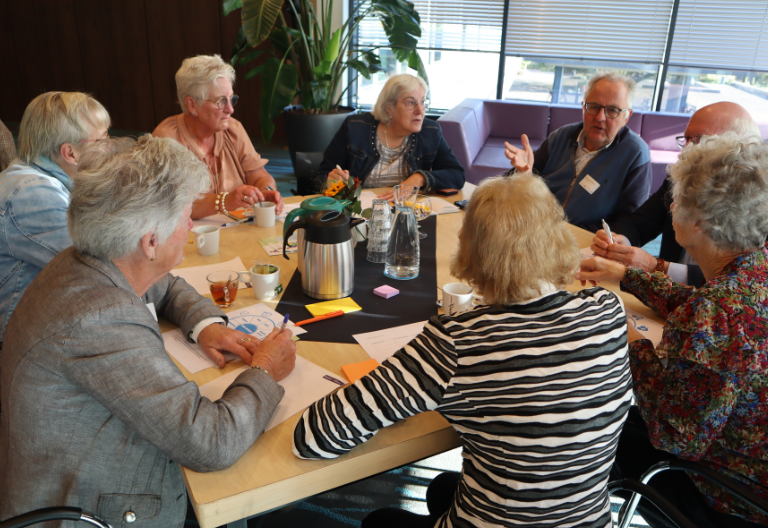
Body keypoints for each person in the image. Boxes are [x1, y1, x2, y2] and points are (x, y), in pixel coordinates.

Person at [293, 173, 632, 528]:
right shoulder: (607, 309)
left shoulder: (459, 341)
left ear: (472, 250)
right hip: (588, 522)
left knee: (382, 520)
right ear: (558, 238)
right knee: (443, 488)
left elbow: (315, 437)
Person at [0, 135, 296, 527]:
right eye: (185, 217)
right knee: (239, 489)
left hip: (73, 470)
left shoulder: (93, 256)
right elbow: (211, 442)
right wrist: (264, 370)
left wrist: (206, 325)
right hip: (88, 509)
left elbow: (166, 284)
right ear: (150, 242)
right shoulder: (99, 319)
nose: (191, 225)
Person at [577, 132, 768, 528]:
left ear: (699, 221)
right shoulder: (754, 268)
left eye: (676, 199)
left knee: (587, 429)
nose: (670, 206)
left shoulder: (718, 312)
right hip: (747, 453)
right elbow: (708, 309)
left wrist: (629, 339)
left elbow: (674, 436)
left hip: (731, 494)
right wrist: (628, 275)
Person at [591, 102, 760, 287]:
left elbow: (745, 283)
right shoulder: (681, 178)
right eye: (686, 140)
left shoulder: (759, 208)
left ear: (739, 148)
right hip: (664, 299)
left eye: (699, 140)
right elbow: (642, 222)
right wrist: (619, 240)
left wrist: (656, 267)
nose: (685, 152)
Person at [0, 91, 110, 343]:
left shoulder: (48, 175)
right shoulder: (31, 193)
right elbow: (101, 268)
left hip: (51, 322)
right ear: (70, 153)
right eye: (102, 140)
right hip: (22, 345)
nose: (109, 147)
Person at [505, 72, 652, 232]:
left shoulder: (635, 153)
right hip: (534, 227)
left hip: (586, 241)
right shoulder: (561, 136)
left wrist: (567, 234)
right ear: (584, 107)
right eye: (594, 107)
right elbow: (514, 183)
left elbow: (628, 222)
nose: (600, 117)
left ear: (626, 116)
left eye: (612, 110)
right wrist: (522, 175)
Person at [153, 54, 284, 219]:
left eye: (231, 99)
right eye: (221, 101)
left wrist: (266, 192)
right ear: (192, 104)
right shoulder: (167, 140)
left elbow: (259, 176)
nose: (231, 109)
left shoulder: (233, 129)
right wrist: (225, 201)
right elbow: (171, 204)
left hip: (237, 230)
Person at [319, 73, 465, 200]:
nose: (420, 110)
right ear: (389, 108)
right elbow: (322, 175)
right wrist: (331, 181)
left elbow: (457, 175)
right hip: (361, 212)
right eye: (410, 103)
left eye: (423, 102)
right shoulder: (355, 128)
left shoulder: (430, 131)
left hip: (407, 212)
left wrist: (419, 178)